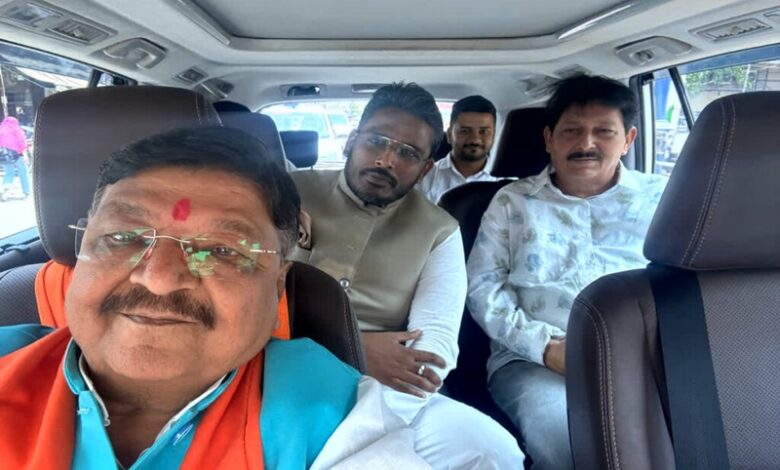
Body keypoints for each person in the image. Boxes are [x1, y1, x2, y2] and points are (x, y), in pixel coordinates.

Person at [0, 126, 426, 469]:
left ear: (277, 286)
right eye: (123, 238)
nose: (159, 279)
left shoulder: (333, 414)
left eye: (222, 251)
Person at [290, 83, 524, 469]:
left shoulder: (440, 231)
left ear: (425, 169)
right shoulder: (289, 192)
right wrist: (356, 349)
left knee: (493, 449)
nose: (386, 160)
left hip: (384, 390)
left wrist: (370, 382)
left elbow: (434, 352)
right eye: (376, 141)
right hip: (282, 365)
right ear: (351, 141)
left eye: (408, 153)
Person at [467, 74, 668, 469]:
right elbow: (483, 288)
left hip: (644, 357)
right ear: (549, 139)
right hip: (532, 360)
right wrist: (546, 348)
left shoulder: (663, 199)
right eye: (572, 130)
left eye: (603, 132)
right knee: (568, 444)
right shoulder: (512, 202)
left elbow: (683, 284)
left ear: (628, 139)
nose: (586, 144)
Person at [418, 95, 500, 203]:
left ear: (494, 136)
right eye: (465, 131)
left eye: (483, 131)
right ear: (449, 135)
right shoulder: (426, 177)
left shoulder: (506, 184)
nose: (475, 140)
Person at [0, 115, 31, 201]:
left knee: (9, 172)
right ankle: (26, 192)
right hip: (16, 154)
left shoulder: (1, 128)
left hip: (3, 155)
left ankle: (5, 189)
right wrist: (25, 156)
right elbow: (21, 141)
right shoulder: (16, 128)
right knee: (23, 172)